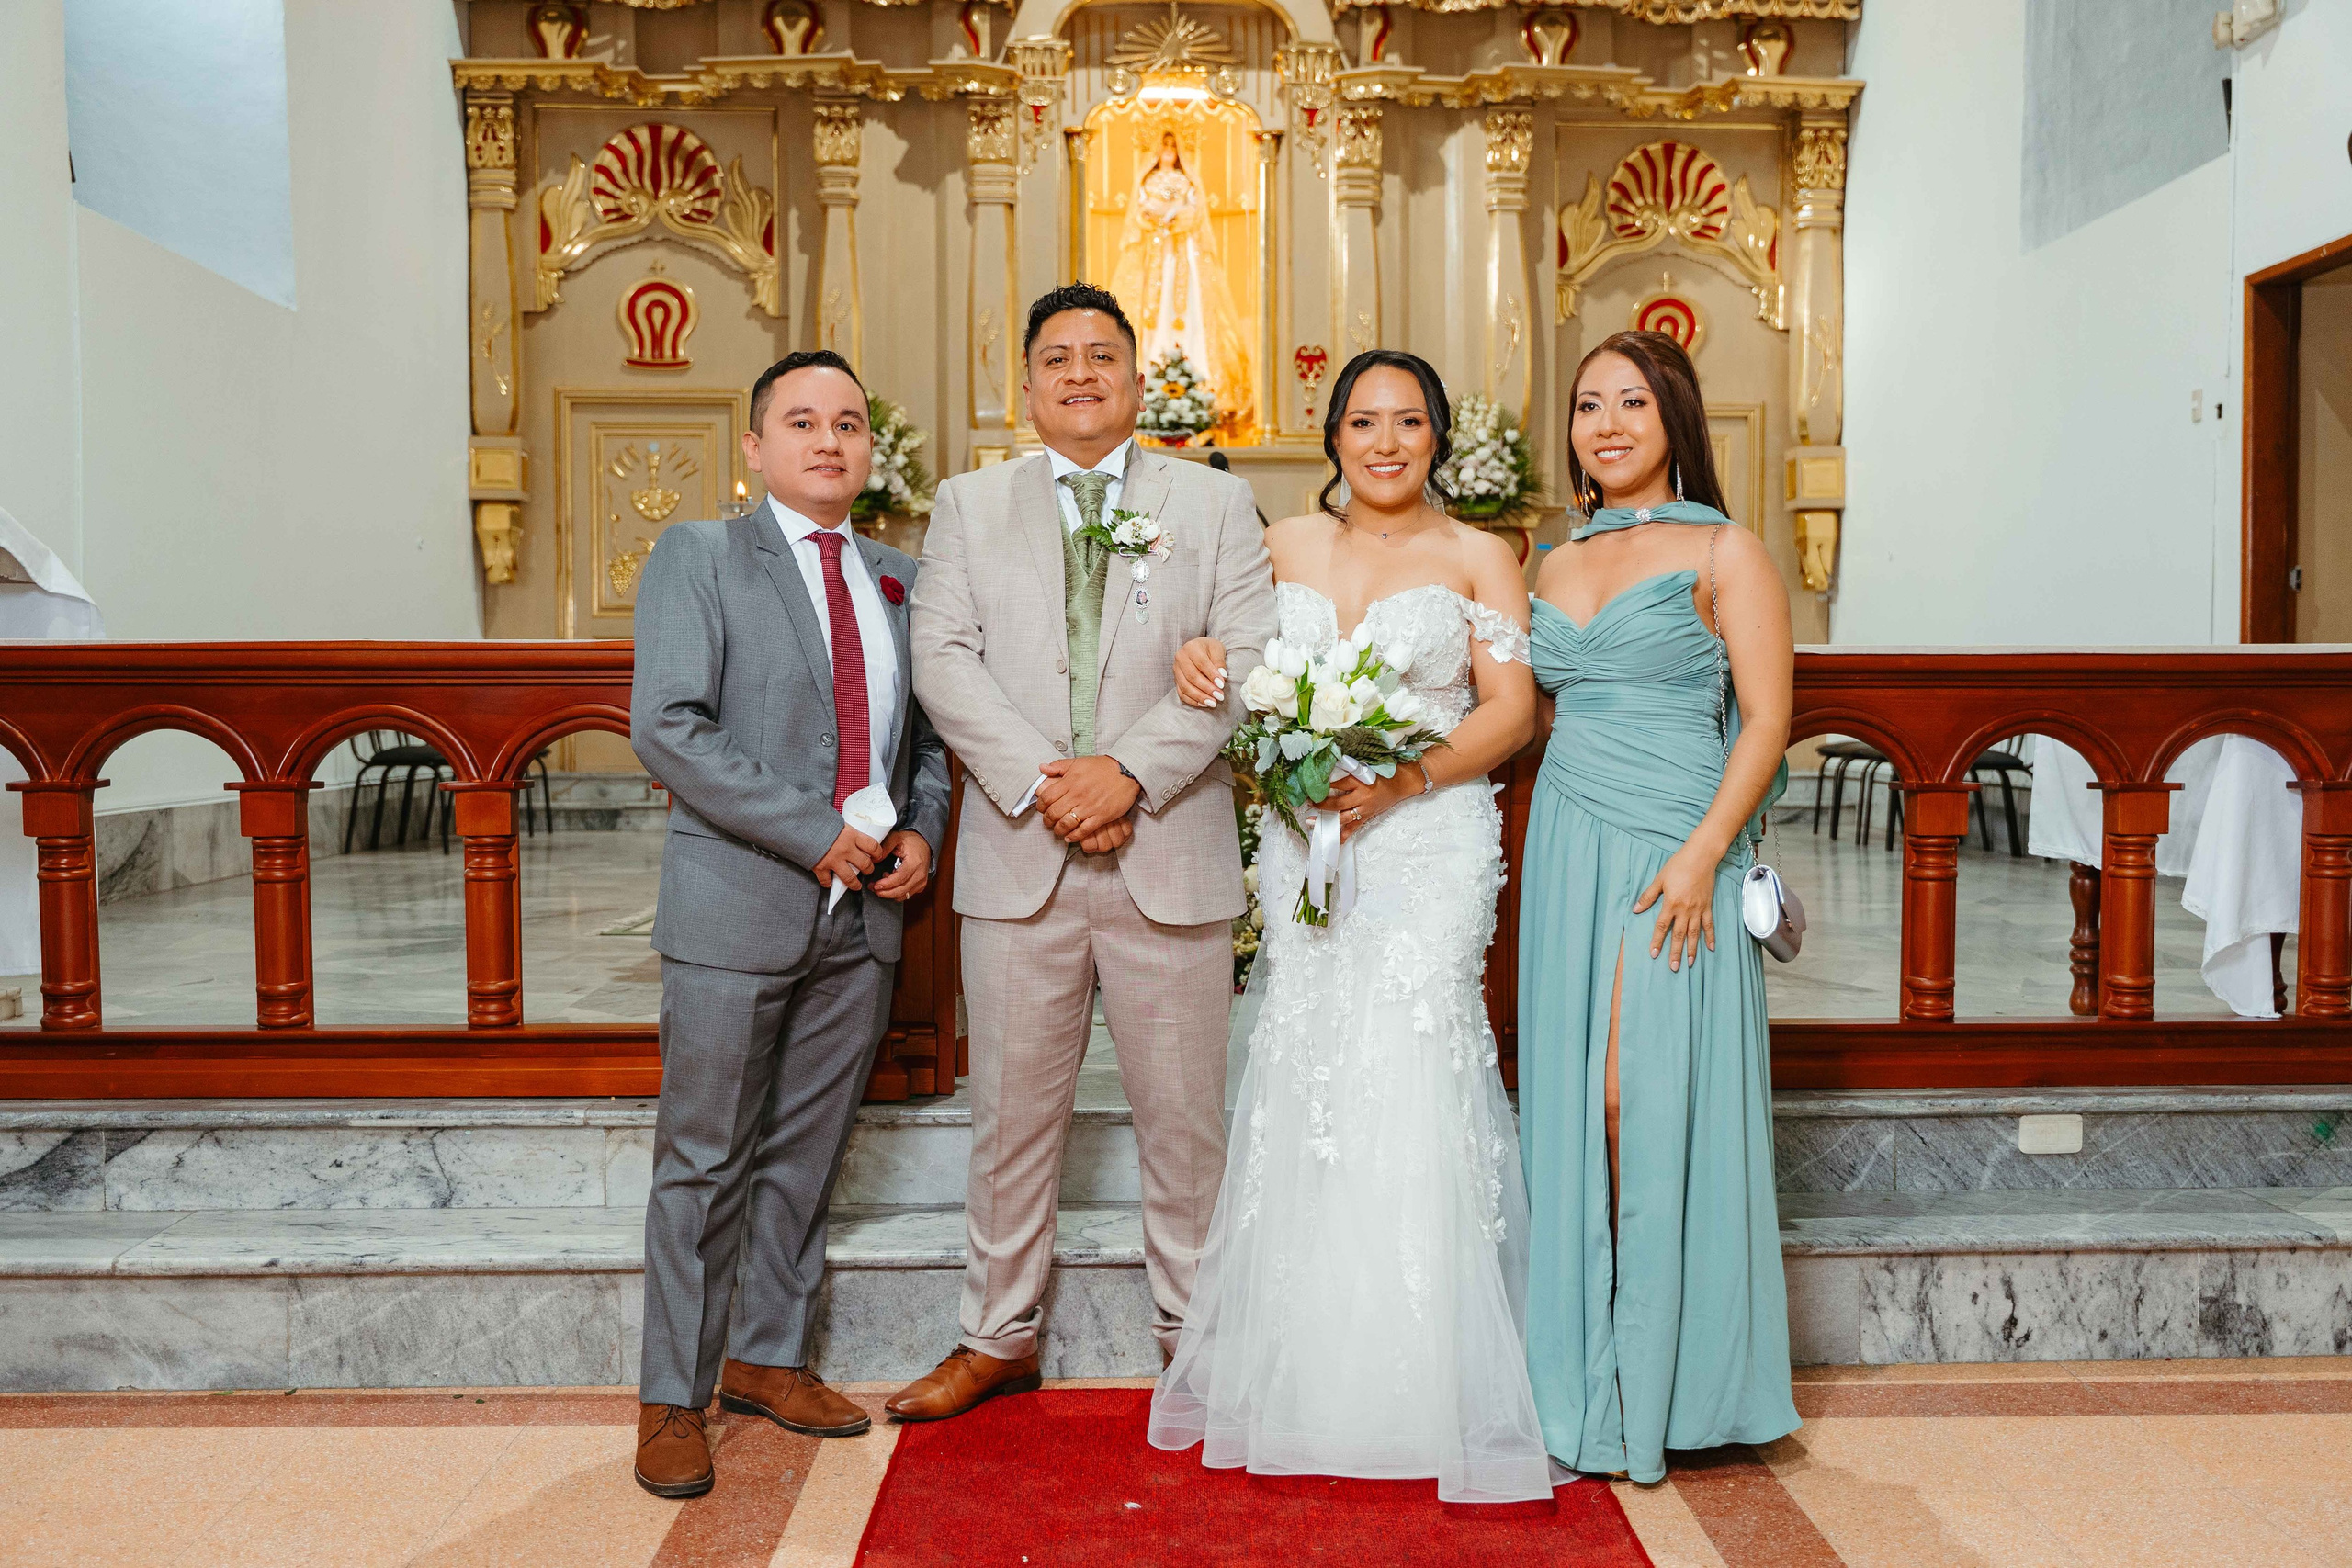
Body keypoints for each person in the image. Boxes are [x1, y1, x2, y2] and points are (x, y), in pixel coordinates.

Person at [1148, 349, 1551, 1504]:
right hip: (1305, 835)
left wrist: (1404, 783)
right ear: (1331, 436)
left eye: (1409, 422)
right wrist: (1199, 658)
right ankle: (1304, 1370)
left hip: (1427, 839)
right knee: (1308, 1057)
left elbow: (1511, 710)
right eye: (1364, 422)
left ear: (1437, 440)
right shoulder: (1277, 546)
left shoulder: (1481, 553)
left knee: (1413, 1058)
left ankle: (1428, 1376)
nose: (1386, 442)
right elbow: (1219, 666)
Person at [894, 282, 1277, 1420]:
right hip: (1022, 858)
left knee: (1185, 1125)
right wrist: (1045, 785)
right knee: (1010, 1122)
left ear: (1135, 379)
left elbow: (1251, 658)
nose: (1078, 372)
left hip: (1169, 847)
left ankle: (1194, 1339)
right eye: (1054, 356)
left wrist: (1131, 771)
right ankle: (997, 1335)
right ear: (1025, 384)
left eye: (1100, 354)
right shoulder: (969, 504)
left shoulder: (1211, 505)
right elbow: (941, 659)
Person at [628, 349, 951, 1497]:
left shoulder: (902, 574)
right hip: (739, 903)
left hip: (860, 920)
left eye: (850, 423)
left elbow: (929, 741)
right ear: (755, 447)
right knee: (702, 1157)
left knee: (805, 1155)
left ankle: (766, 1358)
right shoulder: (703, 556)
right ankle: (674, 1394)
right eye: (802, 421)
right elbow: (667, 725)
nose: (829, 440)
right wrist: (811, 829)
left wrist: (918, 829)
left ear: (871, 450)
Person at [1520, 329, 1799, 1483]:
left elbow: (1771, 720)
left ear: (1674, 422)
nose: (1608, 423)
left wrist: (1704, 853)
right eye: (1589, 405)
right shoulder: (1545, 563)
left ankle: (1669, 1379)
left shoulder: (1726, 550)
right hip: (1566, 842)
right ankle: (1580, 1375)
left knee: (1646, 1099)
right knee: (1577, 1103)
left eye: (1632, 402)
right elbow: (1520, 711)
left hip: (1676, 845)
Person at [1107, 130, 1250, 418]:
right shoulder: (1148, 181)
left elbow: (1195, 212)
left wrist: (1175, 216)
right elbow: (1139, 211)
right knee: (1151, 315)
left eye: (1174, 146)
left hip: (1183, 252)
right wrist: (1154, 216)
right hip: (1155, 254)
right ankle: (1149, 382)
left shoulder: (1186, 181)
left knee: (1189, 313)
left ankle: (1198, 382)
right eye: (1165, 146)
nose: (1169, 151)